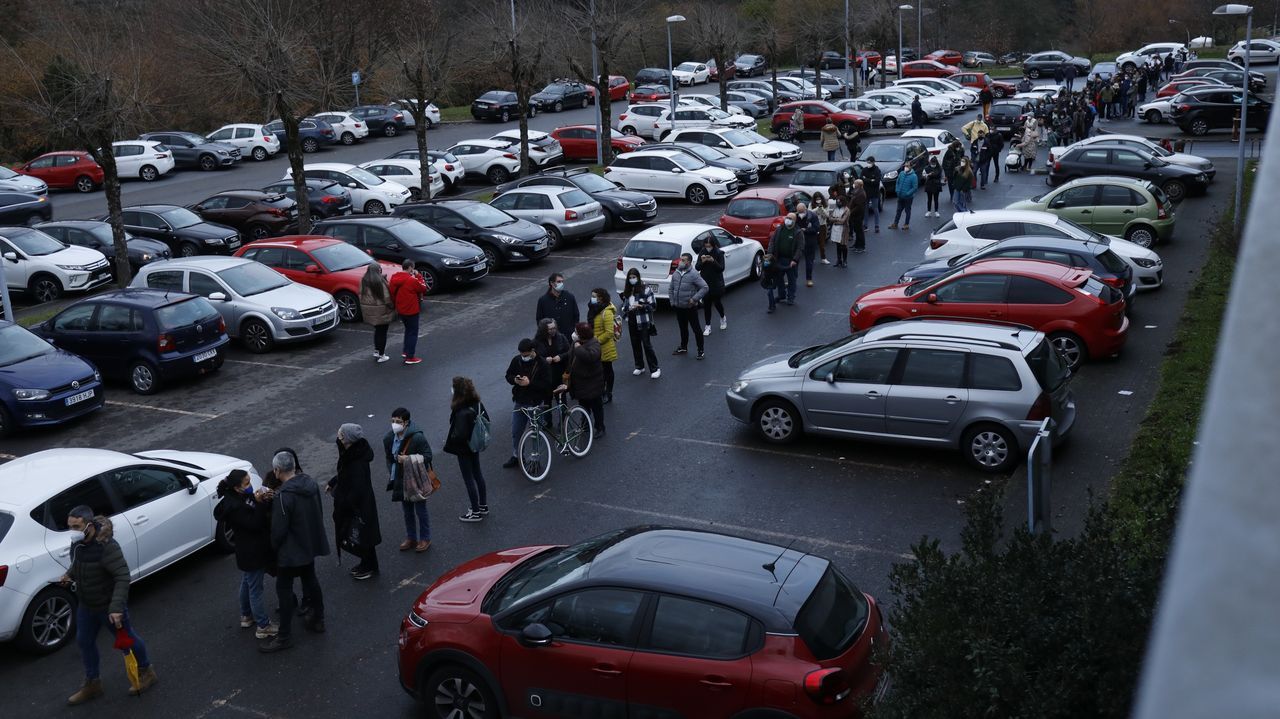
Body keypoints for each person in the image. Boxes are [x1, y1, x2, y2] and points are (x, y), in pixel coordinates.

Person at [61, 506, 157, 704]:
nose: (73, 531)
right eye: (70, 527)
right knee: (84, 641)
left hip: (108, 607)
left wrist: (115, 608)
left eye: (77, 527)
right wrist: (69, 574)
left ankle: (146, 672)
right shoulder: (77, 544)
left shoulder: (107, 546)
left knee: (127, 641)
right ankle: (93, 683)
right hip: (87, 605)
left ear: (89, 525)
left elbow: (122, 576)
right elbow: (78, 562)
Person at [262, 450, 329, 652]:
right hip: (308, 544)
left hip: (290, 552)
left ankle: (284, 636)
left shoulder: (283, 497)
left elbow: (279, 530)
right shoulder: (309, 483)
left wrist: (273, 547)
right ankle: (318, 619)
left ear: (277, 470)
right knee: (311, 580)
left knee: (283, 589)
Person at [214, 470, 277, 640]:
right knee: (255, 589)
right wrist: (260, 504)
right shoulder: (236, 507)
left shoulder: (235, 500)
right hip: (252, 552)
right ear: (237, 488)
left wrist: (259, 500)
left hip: (245, 551)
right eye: (247, 483)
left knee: (247, 582)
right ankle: (263, 626)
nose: (250, 486)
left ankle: (246, 616)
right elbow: (255, 524)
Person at [327, 423, 382, 580]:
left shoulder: (355, 462)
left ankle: (369, 566)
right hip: (361, 505)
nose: (338, 436)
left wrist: (344, 502)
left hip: (358, 507)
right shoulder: (354, 454)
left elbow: (356, 487)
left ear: (347, 439)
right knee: (364, 537)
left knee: (362, 537)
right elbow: (344, 474)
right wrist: (333, 482)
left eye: (341, 434)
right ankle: (368, 563)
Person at [383, 408, 432, 553]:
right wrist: (391, 473)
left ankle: (425, 538)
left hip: (415, 479)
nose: (394, 424)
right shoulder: (388, 438)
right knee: (407, 510)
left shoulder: (417, 438)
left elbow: (428, 456)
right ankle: (411, 537)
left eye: (398, 422)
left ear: (406, 423)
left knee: (420, 509)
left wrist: (408, 459)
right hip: (400, 478)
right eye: (392, 421)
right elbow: (389, 458)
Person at [444, 376, 489, 522]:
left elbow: (460, 434)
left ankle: (475, 512)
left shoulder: (461, 410)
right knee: (478, 474)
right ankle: (483, 505)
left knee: (468, 478)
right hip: (475, 444)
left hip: (464, 449)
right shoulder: (477, 403)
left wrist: (453, 439)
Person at [504, 338, 553, 467]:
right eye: (521, 355)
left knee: (535, 433)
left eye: (525, 355)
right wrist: (515, 380)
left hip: (535, 403)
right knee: (516, 431)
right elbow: (508, 375)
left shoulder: (542, 364)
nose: (523, 357)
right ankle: (517, 455)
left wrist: (530, 383)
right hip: (520, 402)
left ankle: (536, 459)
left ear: (532, 351)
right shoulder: (517, 360)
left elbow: (547, 385)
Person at [566, 321, 606, 436]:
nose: (575, 334)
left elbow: (590, 357)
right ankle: (585, 426)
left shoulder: (594, 344)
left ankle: (600, 427)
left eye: (577, 332)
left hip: (593, 383)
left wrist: (578, 348)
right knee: (583, 407)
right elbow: (570, 357)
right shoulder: (576, 343)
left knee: (596, 408)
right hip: (580, 383)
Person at [618, 269, 659, 378]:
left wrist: (642, 306)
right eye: (630, 278)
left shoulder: (645, 289)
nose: (632, 279)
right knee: (635, 344)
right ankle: (639, 366)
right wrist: (626, 308)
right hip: (632, 319)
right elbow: (625, 305)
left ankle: (655, 368)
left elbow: (653, 306)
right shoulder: (628, 290)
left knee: (646, 344)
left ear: (638, 277)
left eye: (634, 277)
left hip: (643, 320)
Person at [668, 252, 708, 358]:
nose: (681, 262)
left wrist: (694, 299)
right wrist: (672, 302)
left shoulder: (694, 274)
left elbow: (704, 287)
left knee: (696, 329)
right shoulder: (676, 273)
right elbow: (671, 288)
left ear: (689, 262)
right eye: (681, 259)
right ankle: (683, 347)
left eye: (683, 260)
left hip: (690, 308)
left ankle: (701, 350)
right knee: (683, 328)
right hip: (679, 307)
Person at [388, 259, 427, 365]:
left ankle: (406, 351)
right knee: (413, 332)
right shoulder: (411, 280)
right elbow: (423, 288)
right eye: (412, 268)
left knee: (408, 330)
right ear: (410, 267)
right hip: (411, 310)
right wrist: (418, 276)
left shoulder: (394, 278)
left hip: (401, 309)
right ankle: (410, 356)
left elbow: (392, 293)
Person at [359, 263, 395, 363]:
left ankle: (377, 350)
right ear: (378, 270)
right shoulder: (379, 282)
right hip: (381, 311)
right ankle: (381, 355)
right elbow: (386, 298)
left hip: (370, 311)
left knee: (377, 331)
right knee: (382, 333)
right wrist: (392, 306)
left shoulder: (363, 281)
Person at [586, 288, 617, 403]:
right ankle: (601, 391)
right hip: (595, 346)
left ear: (601, 298)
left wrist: (596, 341)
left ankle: (608, 392)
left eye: (595, 296)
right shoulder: (593, 309)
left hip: (605, 347)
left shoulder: (607, 311)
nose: (592, 298)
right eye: (592, 296)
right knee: (599, 371)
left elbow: (609, 332)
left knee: (607, 370)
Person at [695, 240, 727, 335]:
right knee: (707, 305)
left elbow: (721, 268)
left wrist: (713, 261)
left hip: (716, 282)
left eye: (709, 246)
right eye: (706, 246)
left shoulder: (719, 253)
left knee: (717, 303)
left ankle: (722, 317)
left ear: (713, 245)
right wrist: (703, 261)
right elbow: (697, 267)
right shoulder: (702, 252)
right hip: (705, 282)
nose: (707, 248)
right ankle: (708, 326)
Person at [797, 201, 820, 287]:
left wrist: (806, 230)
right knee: (794, 261)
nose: (800, 213)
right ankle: (792, 279)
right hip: (798, 242)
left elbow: (816, 228)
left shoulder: (813, 216)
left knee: (809, 261)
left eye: (801, 211)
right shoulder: (795, 216)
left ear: (805, 209)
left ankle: (809, 279)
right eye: (799, 212)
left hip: (809, 241)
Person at [888, 163, 918, 230]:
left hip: (908, 198)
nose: (906, 167)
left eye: (907, 166)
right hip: (900, 196)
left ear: (911, 167)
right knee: (898, 210)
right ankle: (895, 223)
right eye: (905, 166)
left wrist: (908, 193)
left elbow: (915, 187)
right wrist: (897, 190)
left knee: (907, 211)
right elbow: (897, 182)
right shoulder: (901, 173)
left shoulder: (914, 176)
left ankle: (906, 224)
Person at [861, 156, 882, 233]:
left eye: (869, 162)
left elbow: (876, 181)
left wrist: (866, 179)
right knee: (865, 210)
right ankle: (865, 225)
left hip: (874, 193)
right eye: (867, 162)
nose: (868, 164)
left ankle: (877, 226)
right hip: (866, 193)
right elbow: (861, 178)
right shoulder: (864, 169)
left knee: (875, 209)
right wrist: (871, 180)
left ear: (873, 162)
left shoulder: (877, 170)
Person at [828, 195, 849, 267]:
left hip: (843, 229)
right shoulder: (835, 208)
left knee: (843, 245)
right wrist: (837, 219)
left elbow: (843, 221)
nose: (838, 203)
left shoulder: (846, 210)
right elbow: (830, 218)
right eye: (837, 202)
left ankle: (845, 260)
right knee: (838, 245)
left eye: (839, 202)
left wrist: (835, 219)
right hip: (835, 228)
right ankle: (839, 260)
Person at [847, 180, 868, 254]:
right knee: (856, 230)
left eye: (855, 183)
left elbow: (859, 206)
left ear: (859, 185)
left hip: (858, 215)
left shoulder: (861, 193)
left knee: (859, 231)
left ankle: (861, 246)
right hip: (855, 215)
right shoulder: (857, 191)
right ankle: (857, 244)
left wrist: (851, 211)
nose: (854, 184)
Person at [942, 140, 964, 206]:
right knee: (951, 185)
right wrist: (946, 174)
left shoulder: (960, 150)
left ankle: (957, 196)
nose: (959, 148)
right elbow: (945, 163)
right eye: (958, 147)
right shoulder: (949, 152)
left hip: (958, 170)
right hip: (950, 172)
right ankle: (952, 196)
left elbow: (962, 158)